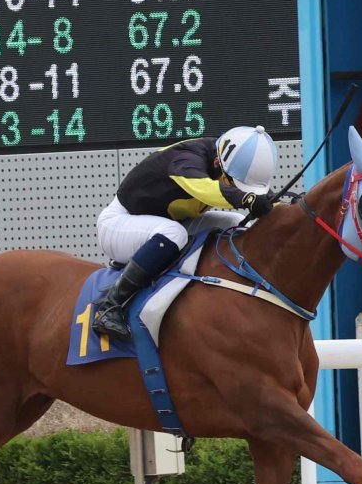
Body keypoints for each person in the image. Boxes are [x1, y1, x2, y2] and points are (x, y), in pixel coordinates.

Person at [92, 125, 280, 341]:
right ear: (217, 163)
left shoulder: (225, 162)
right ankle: (110, 306)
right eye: (235, 184)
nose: (240, 190)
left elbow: (257, 198)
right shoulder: (186, 160)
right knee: (175, 234)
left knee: (237, 222)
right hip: (120, 223)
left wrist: (282, 207)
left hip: (172, 222)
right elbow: (206, 189)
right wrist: (245, 199)